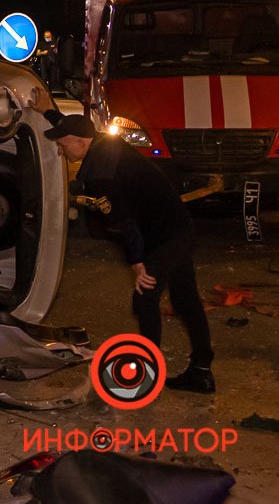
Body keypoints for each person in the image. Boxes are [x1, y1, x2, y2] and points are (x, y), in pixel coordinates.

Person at [44, 112, 215, 394]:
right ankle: (201, 372)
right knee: (185, 300)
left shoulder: (101, 174)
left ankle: (146, 378)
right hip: (177, 227)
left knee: (145, 299)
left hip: (165, 237)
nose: (60, 150)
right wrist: (48, 113)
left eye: (62, 144)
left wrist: (138, 262)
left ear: (80, 142)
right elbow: (76, 127)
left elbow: (125, 225)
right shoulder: (103, 144)